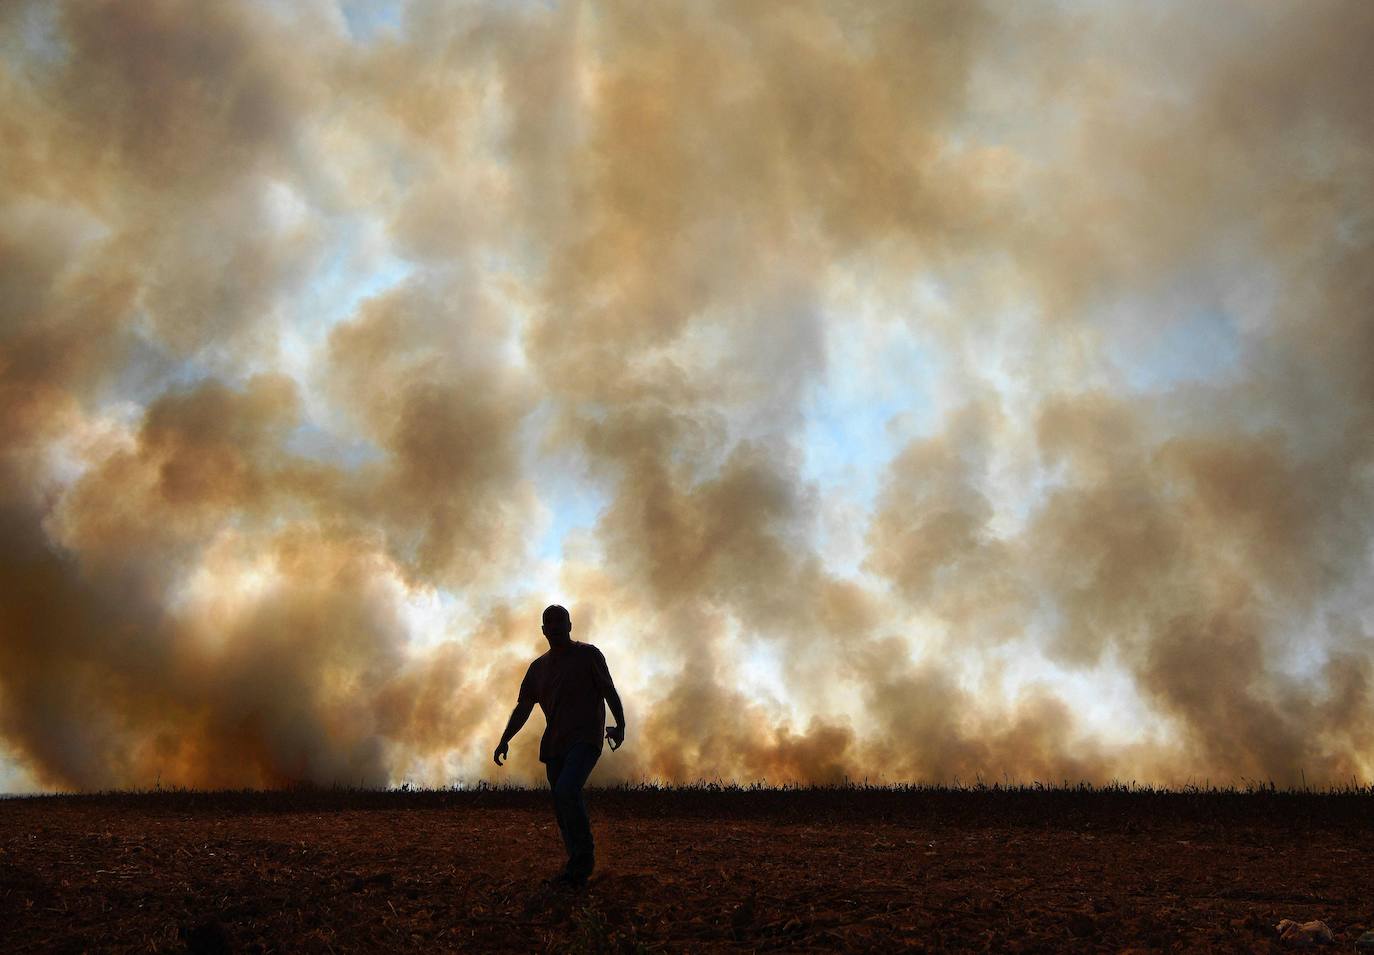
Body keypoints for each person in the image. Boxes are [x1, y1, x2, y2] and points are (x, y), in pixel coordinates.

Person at [493, 604, 626, 888]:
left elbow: (608, 689)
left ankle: (582, 863)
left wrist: (620, 724)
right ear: (543, 630)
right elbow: (523, 707)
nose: (554, 626)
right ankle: (576, 863)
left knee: (567, 790)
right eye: (549, 622)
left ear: (569, 625)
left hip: (586, 738)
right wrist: (505, 738)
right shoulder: (538, 668)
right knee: (561, 804)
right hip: (555, 744)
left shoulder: (588, 654)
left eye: (560, 621)